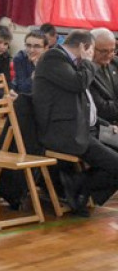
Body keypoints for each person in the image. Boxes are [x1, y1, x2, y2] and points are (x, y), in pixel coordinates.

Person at [34, 30, 118, 214]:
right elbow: (78, 84)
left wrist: (105, 125)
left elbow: (85, 105)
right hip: (66, 132)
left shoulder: (71, 62)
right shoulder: (53, 58)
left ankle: (78, 186)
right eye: (93, 50)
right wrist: (88, 62)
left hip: (86, 128)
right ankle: (80, 186)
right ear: (84, 47)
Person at [13, 29, 47, 94]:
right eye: (28, 45)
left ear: (45, 49)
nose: (31, 50)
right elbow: (23, 88)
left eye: (37, 46)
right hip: (25, 97)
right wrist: (34, 75)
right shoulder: (20, 58)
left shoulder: (50, 60)